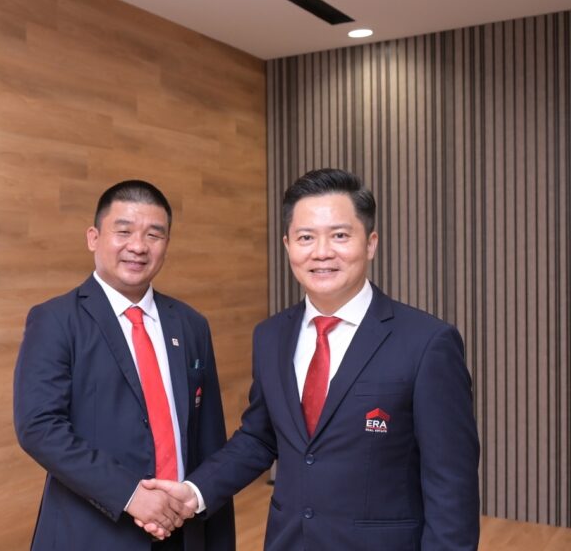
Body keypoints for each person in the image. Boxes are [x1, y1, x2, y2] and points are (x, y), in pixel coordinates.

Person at [144, 168, 480, 550]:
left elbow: (451, 484)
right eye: (306, 237)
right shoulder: (270, 336)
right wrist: (195, 491)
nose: (321, 252)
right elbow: (259, 438)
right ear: (288, 245)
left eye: (340, 235)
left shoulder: (427, 342)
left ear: (370, 243)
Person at [13, 180, 234, 550]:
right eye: (124, 231)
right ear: (93, 238)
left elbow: (209, 440)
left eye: (154, 235)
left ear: (166, 244)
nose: (139, 246)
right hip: (94, 533)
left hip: (183, 529)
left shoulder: (191, 324)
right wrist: (131, 494)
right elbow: (39, 428)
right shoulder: (55, 320)